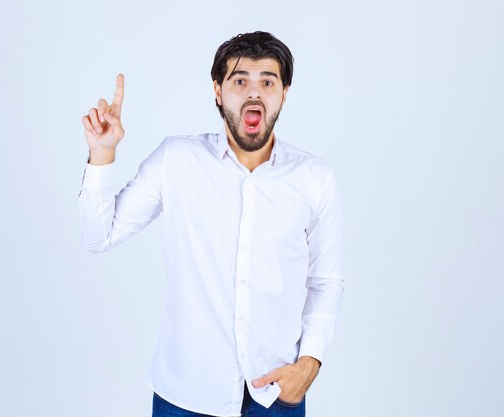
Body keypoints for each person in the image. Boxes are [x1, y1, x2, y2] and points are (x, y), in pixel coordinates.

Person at [78, 31, 345, 417]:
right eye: (240, 81)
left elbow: (326, 281)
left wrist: (310, 364)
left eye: (267, 82)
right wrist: (102, 154)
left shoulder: (315, 178)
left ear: (284, 93)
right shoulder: (177, 160)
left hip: (275, 397)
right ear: (218, 91)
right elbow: (98, 236)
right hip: (184, 396)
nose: (254, 93)